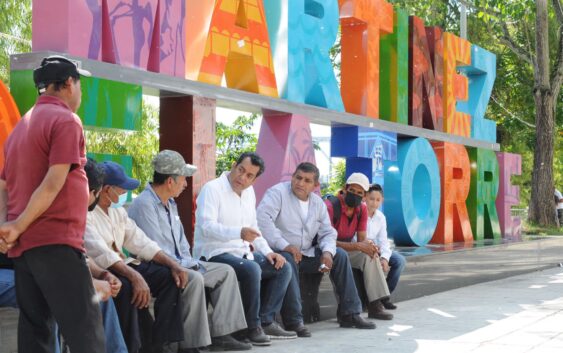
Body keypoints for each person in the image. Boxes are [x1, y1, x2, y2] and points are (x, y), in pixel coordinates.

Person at [0, 55, 105, 353]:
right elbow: (53, 182)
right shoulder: (66, 120)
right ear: (69, 84)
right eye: (80, 85)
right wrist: (16, 225)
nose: (80, 93)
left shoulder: (21, 127)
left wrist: (7, 228)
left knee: (36, 331)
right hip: (56, 241)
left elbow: (3, 186)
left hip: (25, 249)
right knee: (85, 330)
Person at [128, 150, 251, 351]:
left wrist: (189, 262)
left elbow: (183, 244)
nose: (185, 184)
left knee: (226, 272)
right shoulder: (144, 204)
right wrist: (186, 265)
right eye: (183, 179)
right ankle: (191, 344)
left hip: (182, 261)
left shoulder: (172, 203)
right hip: (157, 266)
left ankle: (223, 334)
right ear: (170, 181)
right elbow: (155, 248)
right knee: (194, 278)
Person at [257, 162, 376, 330]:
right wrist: (285, 245)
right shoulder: (277, 194)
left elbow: (328, 233)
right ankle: (294, 320)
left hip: (306, 254)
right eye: (298, 178)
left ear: (315, 185)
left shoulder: (317, 203)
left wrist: (327, 253)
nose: (300, 183)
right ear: (292, 177)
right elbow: (263, 222)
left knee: (339, 255)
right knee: (288, 258)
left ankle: (350, 313)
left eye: (307, 180)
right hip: (278, 253)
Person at [84, 161, 187, 353]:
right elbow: (102, 254)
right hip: (102, 270)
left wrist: (174, 265)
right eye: (122, 189)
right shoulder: (87, 214)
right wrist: (135, 276)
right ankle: (132, 347)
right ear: (106, 190)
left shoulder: (118, 212)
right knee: (127, 287)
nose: (124, 193)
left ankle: (159, 344)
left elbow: (141, 242)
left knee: (168, 277)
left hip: (124, 265)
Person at [193, 152, 295, 346]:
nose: (243, 177)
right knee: (251, 269)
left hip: (242, 252)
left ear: (255, 179)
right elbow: (207, 227)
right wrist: (238, 233)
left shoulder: (249, 193)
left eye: (250, 176)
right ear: (233, 165)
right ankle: (250, 327)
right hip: (213, 252)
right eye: (241, 170)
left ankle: (265, 320)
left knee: (283, 266)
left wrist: (268, 252)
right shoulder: (212, 189)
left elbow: (253, 228)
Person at [324, 173, 393, 320]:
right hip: (326, 249)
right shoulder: (330, 206)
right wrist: (358, 245)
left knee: (370, 254)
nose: (355, 195)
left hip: (345, 248)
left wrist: (370, 247)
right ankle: (350, 311)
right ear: (345, 188)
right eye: (352, 191)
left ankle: (375, 305)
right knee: (349, 253)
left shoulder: (361, 209)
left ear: (363, 196)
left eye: (359, 193)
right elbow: (324, 240)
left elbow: (362, 240)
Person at [364, 184, 406, 310]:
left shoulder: (381, 217)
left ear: (382, 200)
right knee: (373, 259)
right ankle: (375, 299)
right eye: (371, 199)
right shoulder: (359, 213)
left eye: (378, 200)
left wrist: (385, 258)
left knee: (400, 261)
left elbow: (384, 241)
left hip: (377, 249)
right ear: (365, 197)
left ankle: (384, 297)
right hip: (363, 248)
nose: (374, 203)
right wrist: (372, 249)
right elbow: (356, 238)